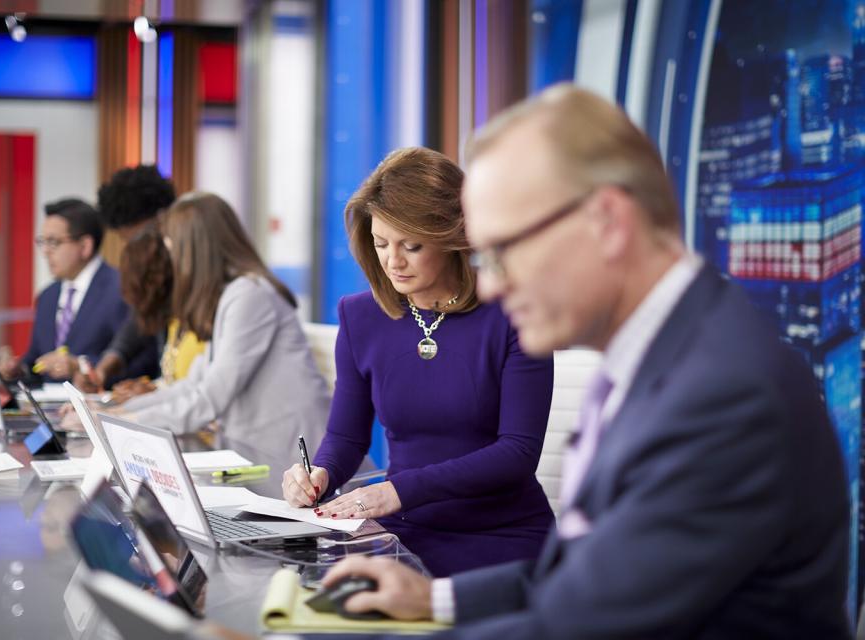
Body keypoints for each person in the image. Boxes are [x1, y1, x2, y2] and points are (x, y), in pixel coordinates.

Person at [295, 85, 850, 637]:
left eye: (507, 250)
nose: (493, 287)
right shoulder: (667, 360)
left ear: (607, 223)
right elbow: (589, 574)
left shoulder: (723, 396)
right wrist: (435, 599)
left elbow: (588, 622)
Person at [281, 147, 555, 578]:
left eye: (411, 245)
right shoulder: (360, 317)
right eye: (381, 243)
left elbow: (518, 452)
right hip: (400, 532)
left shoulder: (513, 313)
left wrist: (400, 490)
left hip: (501, 537)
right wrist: (321, 473)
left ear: (454, 237)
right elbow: (346, 437)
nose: (393, 261)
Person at [117, 192, 330, 469]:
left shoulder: (250, 295)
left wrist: (128, 421)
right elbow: (194, 384)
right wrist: (120, 413)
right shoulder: (229, 295)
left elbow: (211, 397)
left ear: (194, 249)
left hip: (290, 459)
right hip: (257, 450)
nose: (170, 255)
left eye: (173, 245)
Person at [0, 198, 143, 383]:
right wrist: (16, 369)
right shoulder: (48, 296)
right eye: (43, 242)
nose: (46, 252)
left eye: (54, 242)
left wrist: (80, 365)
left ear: (85, 246)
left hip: (97, 407)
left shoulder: (122, 288)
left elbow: (140, 362)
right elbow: (35, 361)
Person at [73, 164, 173, 391]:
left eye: (136, 239)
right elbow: (139, 321)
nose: (133, 249)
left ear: (161, 220)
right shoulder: (154, 273)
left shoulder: (188, 273)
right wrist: (104, 367)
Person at [110, 227, 206, 403]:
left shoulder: (202, 322)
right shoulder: (174, 322)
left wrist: (152, 396)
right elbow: (174, 382)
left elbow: (201, 395)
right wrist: (150, 387)